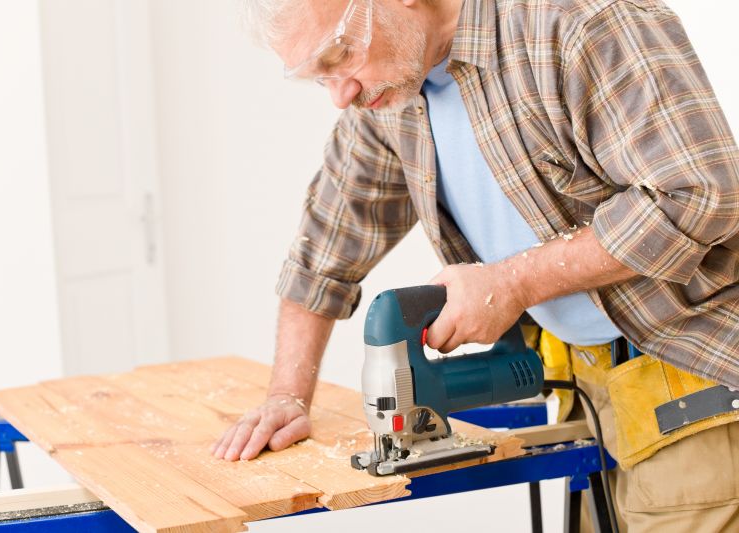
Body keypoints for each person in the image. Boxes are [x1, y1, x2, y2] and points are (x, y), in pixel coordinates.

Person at [212, 0, 739, 529]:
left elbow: (698, 194)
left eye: (341, 53)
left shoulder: (578, 22)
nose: (339, 95)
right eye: (318, 77)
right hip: (592, 381)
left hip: (696, 370)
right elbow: (326, 247)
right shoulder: (392, 92)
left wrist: (510, 283)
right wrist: (287, 396)